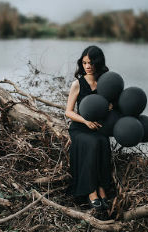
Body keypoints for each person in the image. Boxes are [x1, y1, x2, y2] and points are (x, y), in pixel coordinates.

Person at [65, 45, 112, 209]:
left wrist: (110, 107)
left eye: (91, 63)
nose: (87, 66)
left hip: (98, 128)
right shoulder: (77, 84)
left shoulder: (105, 83)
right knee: (92, 144)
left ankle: (101, 187)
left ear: (98, 63)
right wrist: (85, 121)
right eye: (84, 63)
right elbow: (68, 112)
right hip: (80, 128)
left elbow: (112, 105)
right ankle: (91, 190)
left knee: (103, 142)